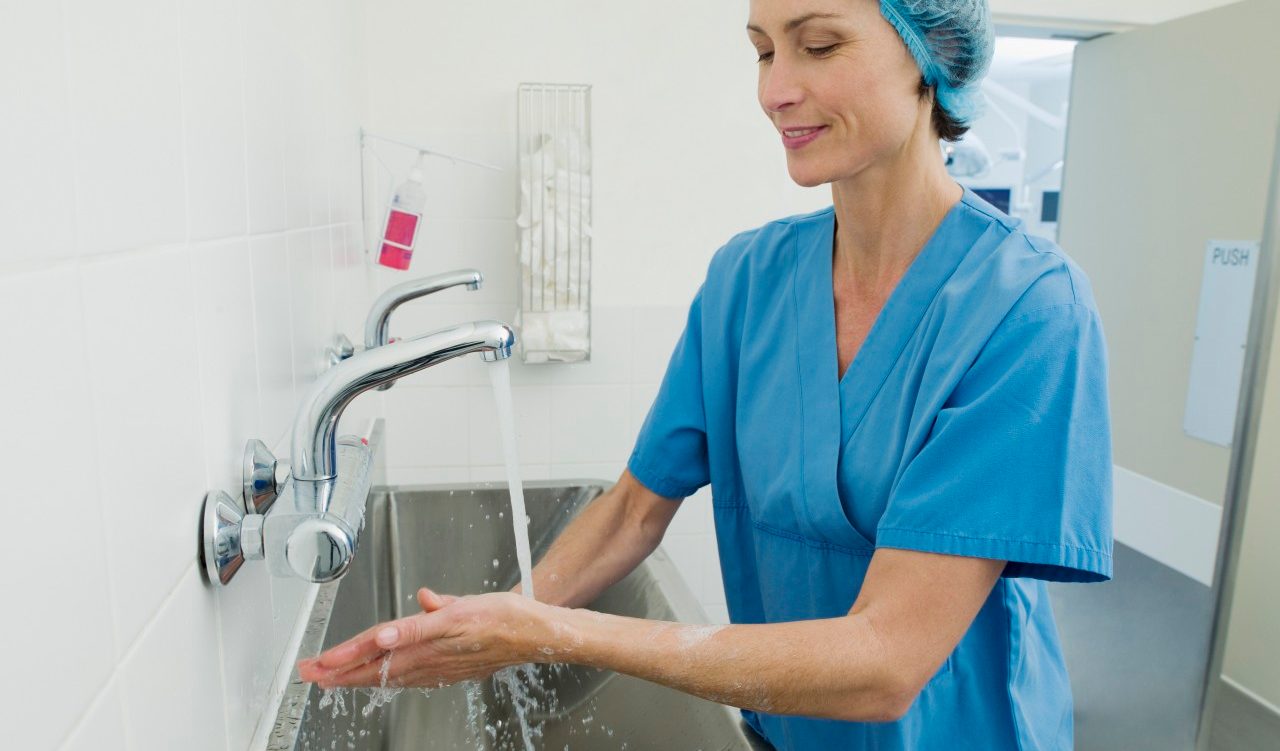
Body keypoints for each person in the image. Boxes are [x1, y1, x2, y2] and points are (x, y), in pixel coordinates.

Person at [299, 0, 1114, 747]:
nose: (776, 90)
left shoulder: (1027, 310)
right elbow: (629, 512)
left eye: (818, 45)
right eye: (763, 53)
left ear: (929, 54)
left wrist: (548, 631)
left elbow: (885, 658)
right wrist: (492, 620)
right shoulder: (748, 282)